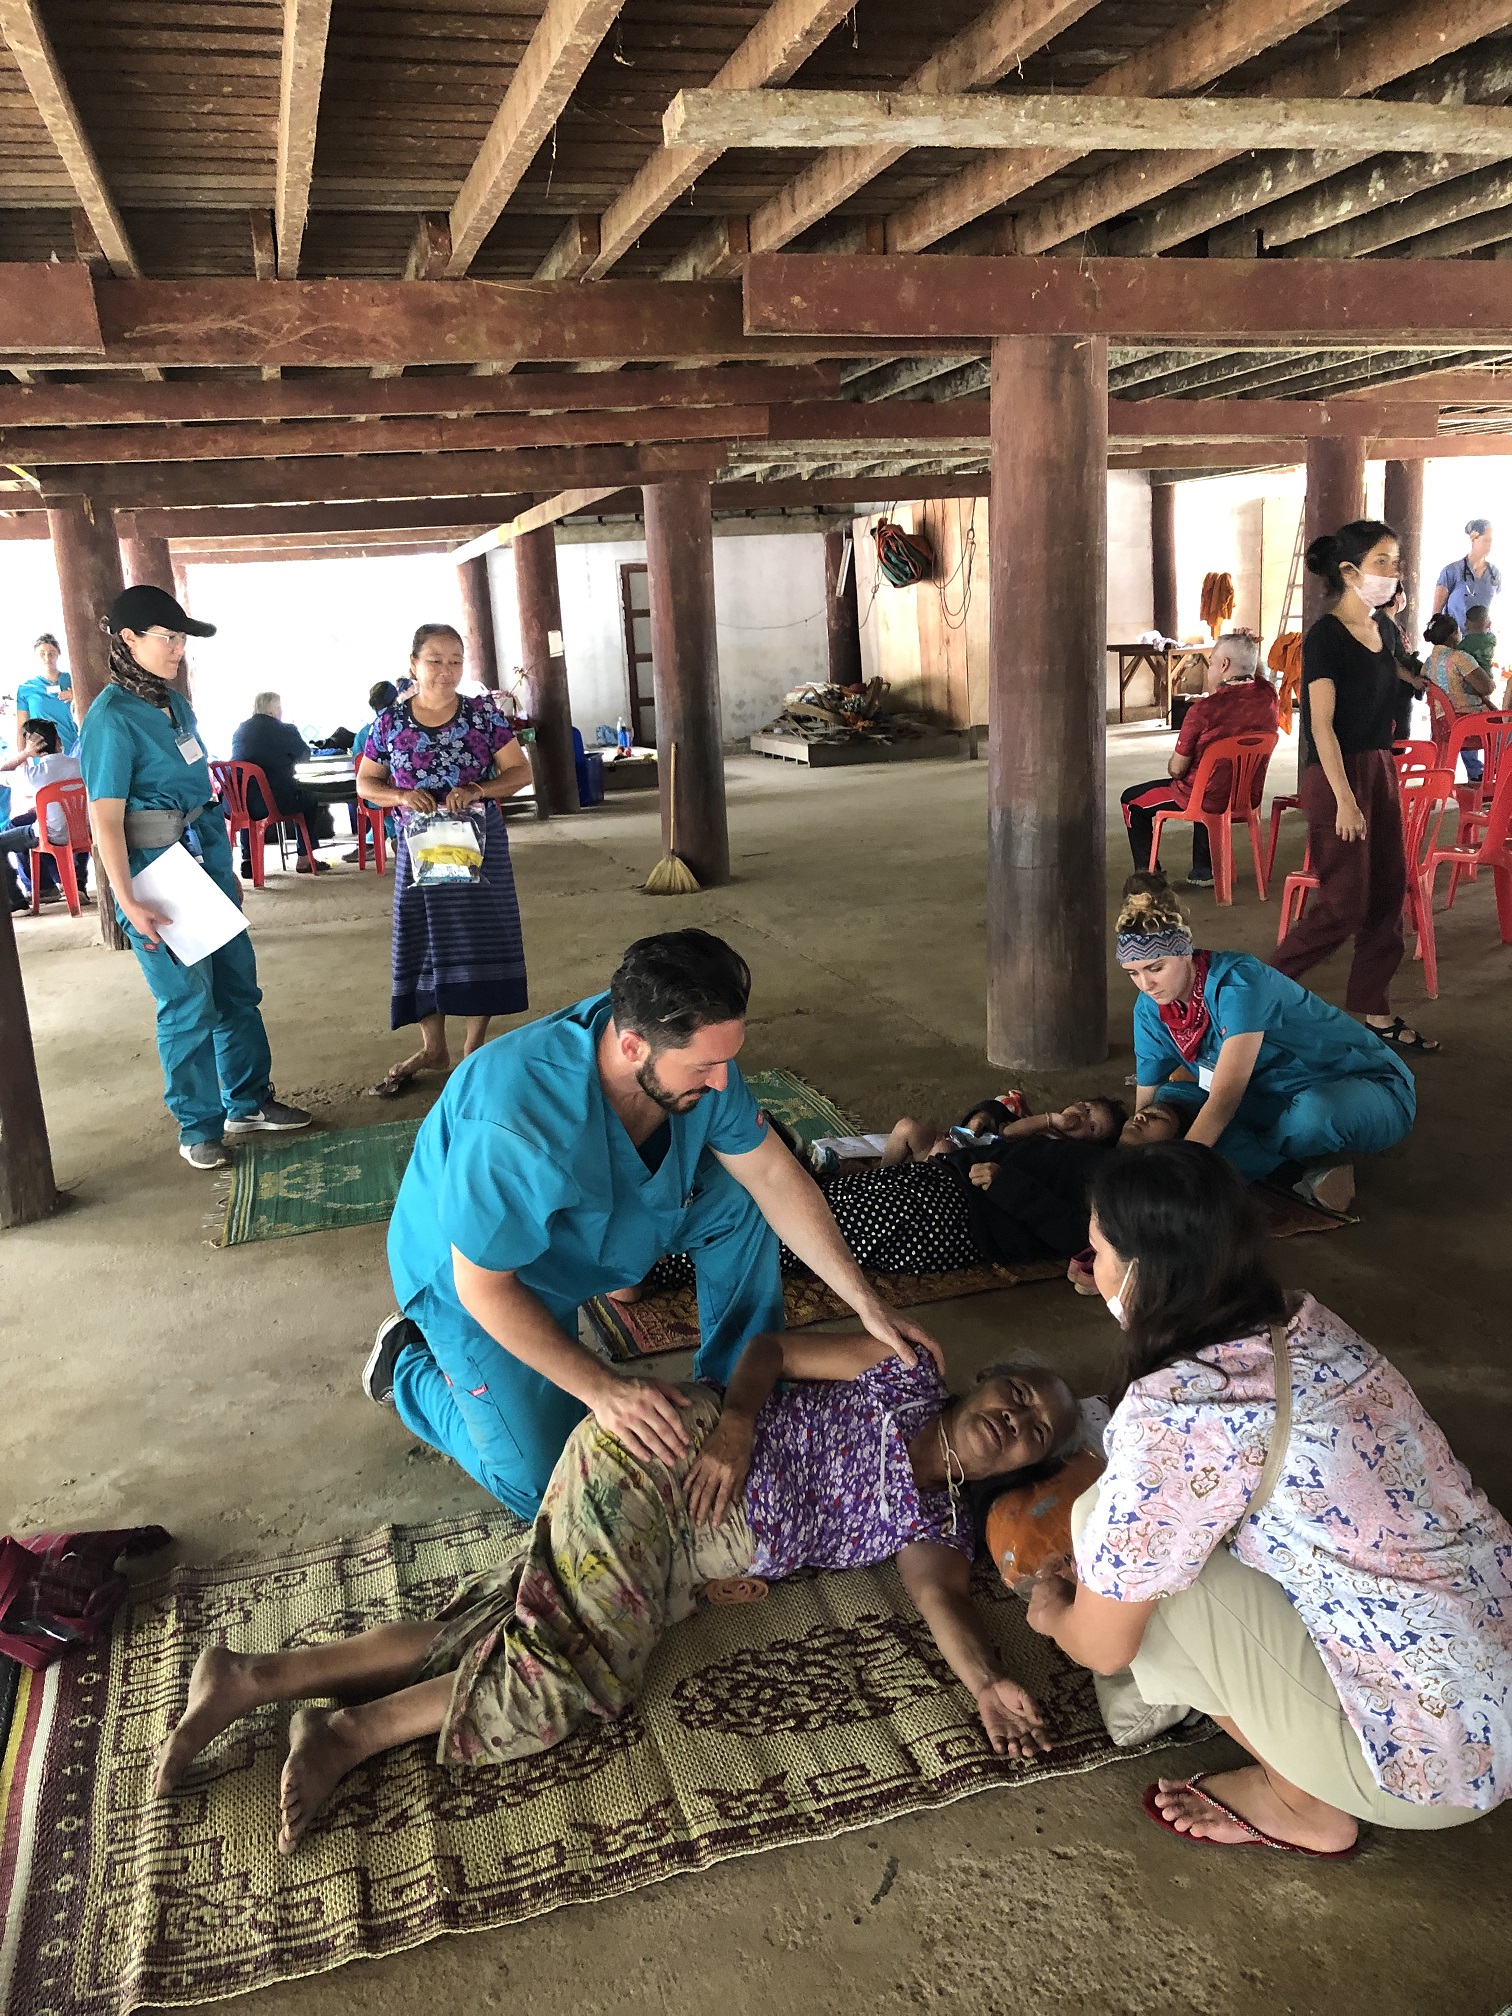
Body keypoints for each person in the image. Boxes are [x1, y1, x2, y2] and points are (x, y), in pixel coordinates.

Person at [155, 1329, 1082, 1853]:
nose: (1019, 1417)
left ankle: (256, 1677)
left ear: (1026, 1463)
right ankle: (348, 1732)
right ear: (986, 1378)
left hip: (677, 1551)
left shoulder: (941, 1525)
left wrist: (984, 1685)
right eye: (1019, 1392)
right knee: (573, 1676)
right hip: (668, 1452)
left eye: (1037, 1431)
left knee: (510, 1617)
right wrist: (738, 1428)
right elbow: (774, 1348)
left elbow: (942, 1605)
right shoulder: (903, 1376)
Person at [1028, 1143, 1512, 1856]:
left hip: (1440, 1769)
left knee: (1109, 1531)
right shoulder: (1302, 1322)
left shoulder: (1175, 1415)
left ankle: (1304, 1804)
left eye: (1095, 1251)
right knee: (1144, 1532)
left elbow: (1102, 1648)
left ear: (1139, 1271)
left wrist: (1051, 1615)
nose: (1089, 1269)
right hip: (1490, 1674)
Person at [363, 930, 943, 1518]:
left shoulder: (688, 1047)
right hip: (475, 1281)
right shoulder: (517, 1120)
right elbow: (484, 1286)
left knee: (739, 1199)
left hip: (581, 1234)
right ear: (633, 1047)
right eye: (705, 1066)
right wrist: (603, 1390)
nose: (723, 1081)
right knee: (549, 1486)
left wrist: (868, 1304)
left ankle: (732, 1390)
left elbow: (772, 1175)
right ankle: (406, 1367)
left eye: (728, 1059)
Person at [77, 585, 313, 1171]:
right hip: (155, 871)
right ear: (128, 639)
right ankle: (198, 1124)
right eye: (168, 637)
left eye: (182, 638)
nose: (179, 649)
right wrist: (126, 901)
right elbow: (104, 819)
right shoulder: (108, 719)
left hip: (205, 859)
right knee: (186, 1001)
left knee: (238, 987)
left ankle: (248, 1101)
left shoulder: (175, 705)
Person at [1116, 874, 1414, 1214]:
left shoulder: (1239, 982)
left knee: (1312, 1115)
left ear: (1184, 952)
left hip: (1356, 1084)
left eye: (1155, 968)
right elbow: (1149, 1097)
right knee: (1171, 1107)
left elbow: (1225, 1097)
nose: (1146, 984)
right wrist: (1135, 1148)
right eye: (1133, 973)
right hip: (1264, 1094)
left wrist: (1182, 1172)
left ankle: (1276, 1169)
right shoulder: (1150, 1008)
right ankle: (1292, 1172)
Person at [1272, 519, 1437, 1055]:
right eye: (1383, 562)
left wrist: (1425, 679)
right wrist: (1345, 798)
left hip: (1378, 767)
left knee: (1388, 892)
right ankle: (1260, 994)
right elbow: (1320, 725)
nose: (1394, 572)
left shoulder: (1382, 628)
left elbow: (1392, 673)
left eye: (1396, 561)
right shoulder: (1326, 637)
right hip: (1336, 775)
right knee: (1343, 904)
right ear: (1349, 572)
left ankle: (1371, 1007)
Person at [357, 624, 533, 1098]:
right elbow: (366, 784)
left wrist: (478, 788)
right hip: (419, 854)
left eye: (456, 659)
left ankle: (473, 1050)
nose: (446, 670)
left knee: (480, 939)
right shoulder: (389, 724)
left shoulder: (482, 717)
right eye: (435, 660)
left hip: (478, 847)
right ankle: (434, 1048)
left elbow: (520, 771)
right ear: (413, 664)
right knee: (422, 942)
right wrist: (399, 794)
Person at [1119, 633, 1278, 888]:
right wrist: (1247, 652)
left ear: (1224, 665)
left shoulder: (1203, 711)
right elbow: (1253, 672)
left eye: (1212, 662)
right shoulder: (1268, 695)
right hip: (1245, 796)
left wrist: (1172, 763)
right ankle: (1203, 868)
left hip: (1206, 797)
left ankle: (1150, 880)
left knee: (1133, 800)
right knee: (1212, 776)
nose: (1209, 669)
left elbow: (1178, 770)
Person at [229, 692, 334, 876]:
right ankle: (304, 858)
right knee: (309, 797)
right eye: (280, 708)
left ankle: (248, 859)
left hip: (236, 804)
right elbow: (304, 756)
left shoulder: (240, 730)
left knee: (248, 797)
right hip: (271, 803)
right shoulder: (285, 730)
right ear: (274, 710)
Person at [0, 719, 87, 910]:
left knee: (10, 837)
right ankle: (74, 882)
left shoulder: (33, 774)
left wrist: (24, 754)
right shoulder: (82, 766)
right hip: (85, 833)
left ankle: (16, 898)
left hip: (52, 835)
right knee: (31, 822)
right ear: (58, 741)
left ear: (33, 747)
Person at [1423, 612, 1495, 783]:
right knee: (1506, 728)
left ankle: (1479, 776)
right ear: (1454, 634)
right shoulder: (1459, 658)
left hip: (1442, 724)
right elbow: (1487, 687)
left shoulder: (1427, 663)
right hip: (1464, 723)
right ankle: (1495, 779)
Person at [14, 634, 79, 754]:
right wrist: (22, 759)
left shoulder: (74, 681)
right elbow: (21, 728)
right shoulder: (26, 689)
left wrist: (77, 698)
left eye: (51, 653)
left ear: (58, 654)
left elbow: (91, 708)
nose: (47, 658)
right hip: (40, 752)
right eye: (42, 654)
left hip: (72, 748)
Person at [1433, 516, 1500, 630]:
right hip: (1455, 640)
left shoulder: (1495, 573)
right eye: (1486, 540)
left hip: (1483, 641)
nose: (1489, 545)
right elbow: (1436, 614)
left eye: (1491, 541)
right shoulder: (1451, 571)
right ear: (1474, 539)